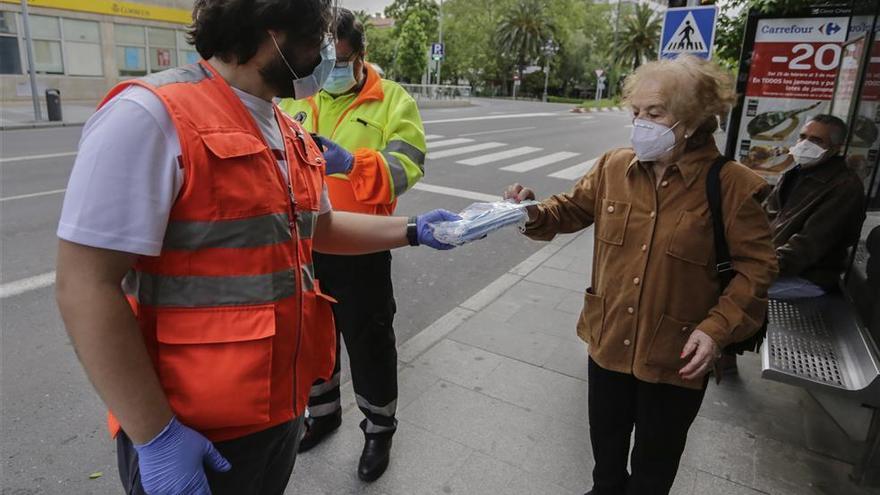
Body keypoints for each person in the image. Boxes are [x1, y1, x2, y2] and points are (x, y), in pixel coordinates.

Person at [54, 1, 459, 494]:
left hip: (280, 412)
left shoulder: (287, 129)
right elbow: (84, 284)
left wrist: (413, 229)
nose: (325, 56)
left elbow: (320, 228)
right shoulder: (150, 115)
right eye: (318, 41)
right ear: (274, 34)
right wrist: (156, 435)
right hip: (193, 432)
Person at [504, 55, 778, 495]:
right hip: (609, 343)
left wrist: (716, 330)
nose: (640, 123)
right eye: (636, 112)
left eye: (655, 113)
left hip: (677, 357)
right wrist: (530, 212)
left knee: (653, 470)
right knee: (606, 461)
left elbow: (757, 268)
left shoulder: (734, 185)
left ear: (691, 120)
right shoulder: (615, 167)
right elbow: (568, 210)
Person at [277, 9, 425, 481]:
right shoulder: (297, 96)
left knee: (370, 345)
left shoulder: (392, 99)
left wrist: (352, 164)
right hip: (307, 246)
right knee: (313, 338)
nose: (332, 68)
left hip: (362, 249)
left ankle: (378, 431)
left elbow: (407, 167)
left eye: (342, 59)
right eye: (326, 58)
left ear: (361, 54)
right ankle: (321, 414)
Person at [765, 114, 867, 299]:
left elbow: (808, 246)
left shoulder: (844, 187)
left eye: (816, 140)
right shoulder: (794, 173)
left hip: (806, 277)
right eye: (803, 137)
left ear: (836, 148)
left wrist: (754, 268)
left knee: (726, 294)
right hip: (772, 265)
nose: (805, 144)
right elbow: (764, 217)